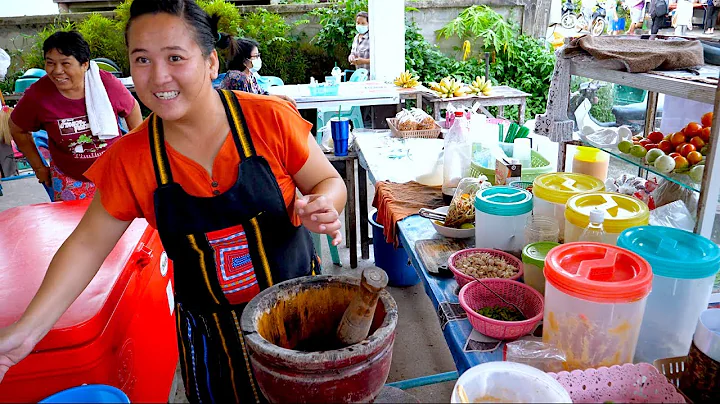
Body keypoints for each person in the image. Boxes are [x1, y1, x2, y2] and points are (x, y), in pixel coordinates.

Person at [0, 0, 346, 403]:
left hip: (302, 312)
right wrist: (25, 333)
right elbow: (86, 246)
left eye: (175, 57)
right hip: (213, 337)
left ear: (211, 62)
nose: (159, 76)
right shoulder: (131, 159)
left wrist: (324, 202)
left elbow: (327, 180)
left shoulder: (268, 118)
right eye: (142, 59)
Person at [9, 32, 142, 201]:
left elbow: (132, 109)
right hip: (69, 178)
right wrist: (39, 167)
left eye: (65, 63)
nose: (57, 71)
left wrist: (137, 156)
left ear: (84, 64)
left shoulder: (105, 84)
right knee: (72, 225)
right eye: (50, 63)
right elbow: (17, 128)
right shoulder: (38, 95)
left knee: (124, 223)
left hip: (114, 174)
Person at [217, 37, 294, 105]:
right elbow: (248, 105)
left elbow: (261, 94)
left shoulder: (250, 75)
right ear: (244, 60)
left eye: (258, 55)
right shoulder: (237, 78)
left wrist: (283, 98)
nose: (259, 59)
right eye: (256, 56)